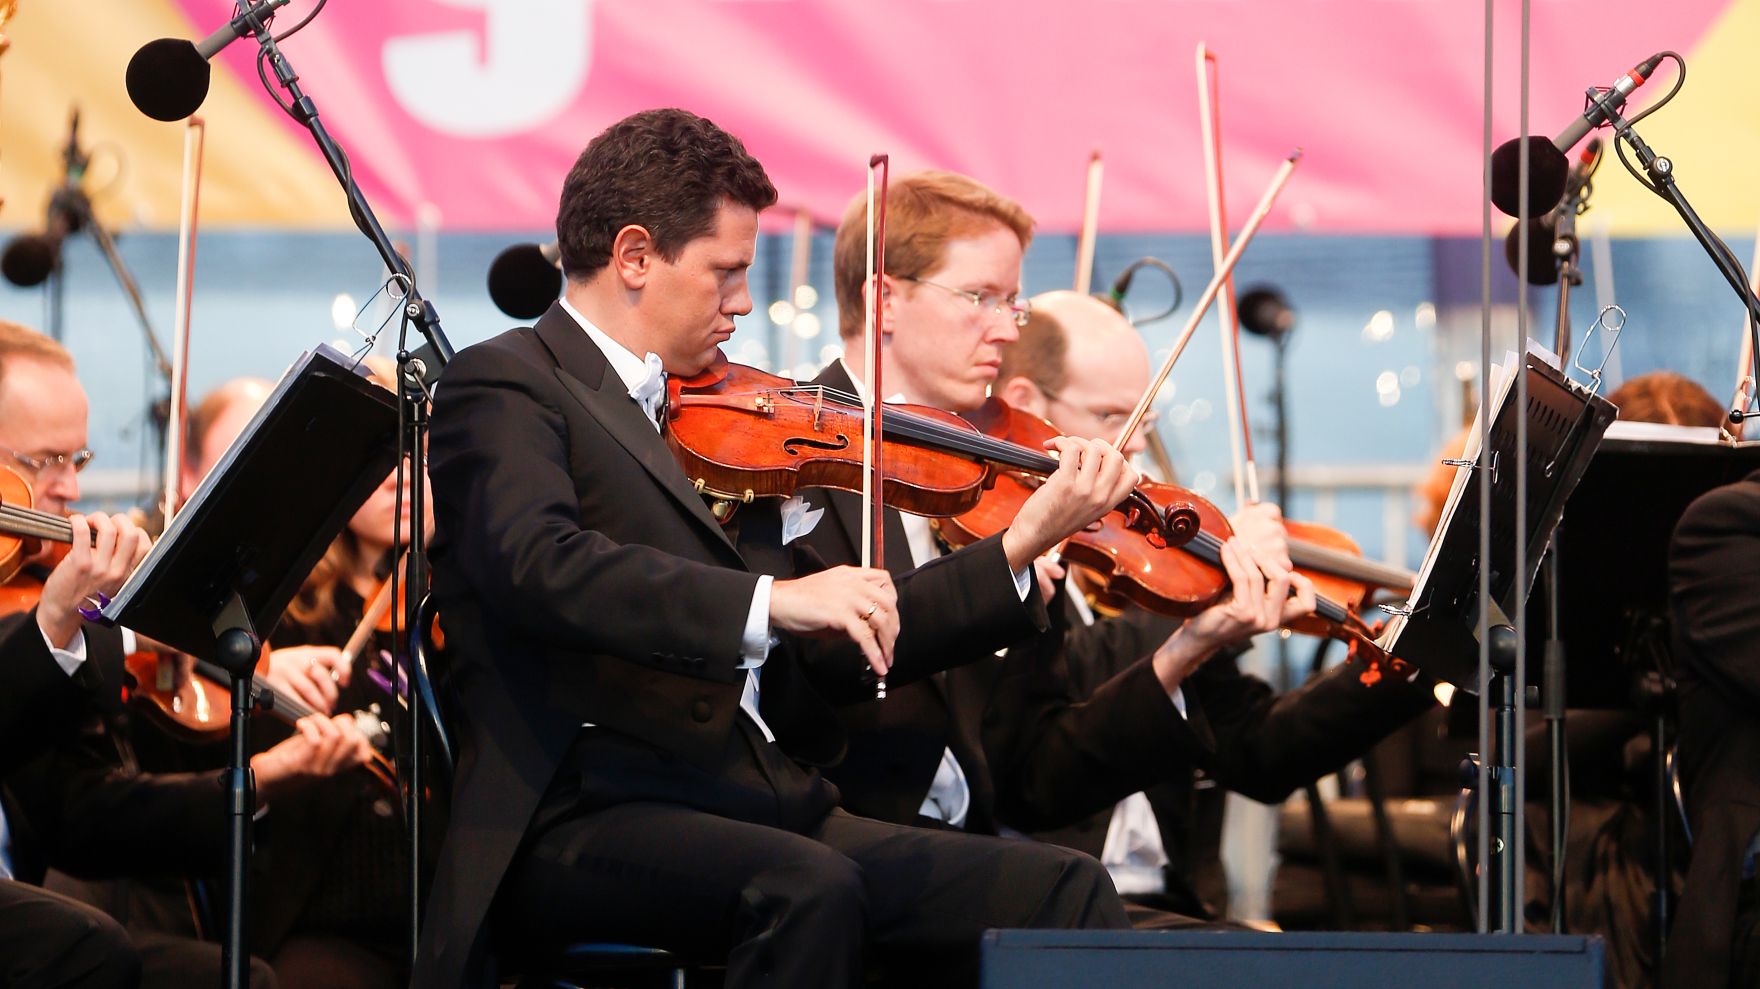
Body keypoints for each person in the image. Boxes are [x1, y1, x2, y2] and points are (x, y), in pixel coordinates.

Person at [418, 108, 1142, 989]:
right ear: (636, 257)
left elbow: (819, 674)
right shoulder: (506, 381)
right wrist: (771, 600)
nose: (743, 302)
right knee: (808, 886)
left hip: (752, 791)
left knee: (1060, 886)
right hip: (586, 806)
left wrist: (1007, 550)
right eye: (725, 272)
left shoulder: (718, 417)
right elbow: (540, 563)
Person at [990, 290, 1438, 919]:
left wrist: (1410, 659)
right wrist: (1200, 605)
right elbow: (1050, 731)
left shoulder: (1135, 569)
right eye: (1114, 416)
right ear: (1027, 407)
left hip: (1173, 903)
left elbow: (1257, 751)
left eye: (1143, 421)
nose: (1137, 447)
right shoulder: (993, 558)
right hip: (1048, 902)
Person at [0, 320, 370, 989]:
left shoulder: (49, 614)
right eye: (42, 461)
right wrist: (57, 620)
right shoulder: (37, 622)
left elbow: (74, 813)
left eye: (77, 461)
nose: (71, 491)